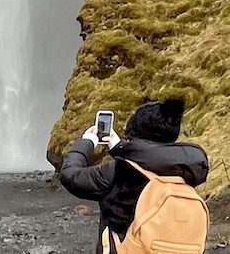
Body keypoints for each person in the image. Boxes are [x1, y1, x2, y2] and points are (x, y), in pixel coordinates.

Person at [57, 99, 209, 254]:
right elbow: (152, 160)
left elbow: (71, 175)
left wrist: (87, 142)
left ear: (134, 134)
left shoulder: (119, 172)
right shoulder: (187, 169)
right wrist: (120, 148)